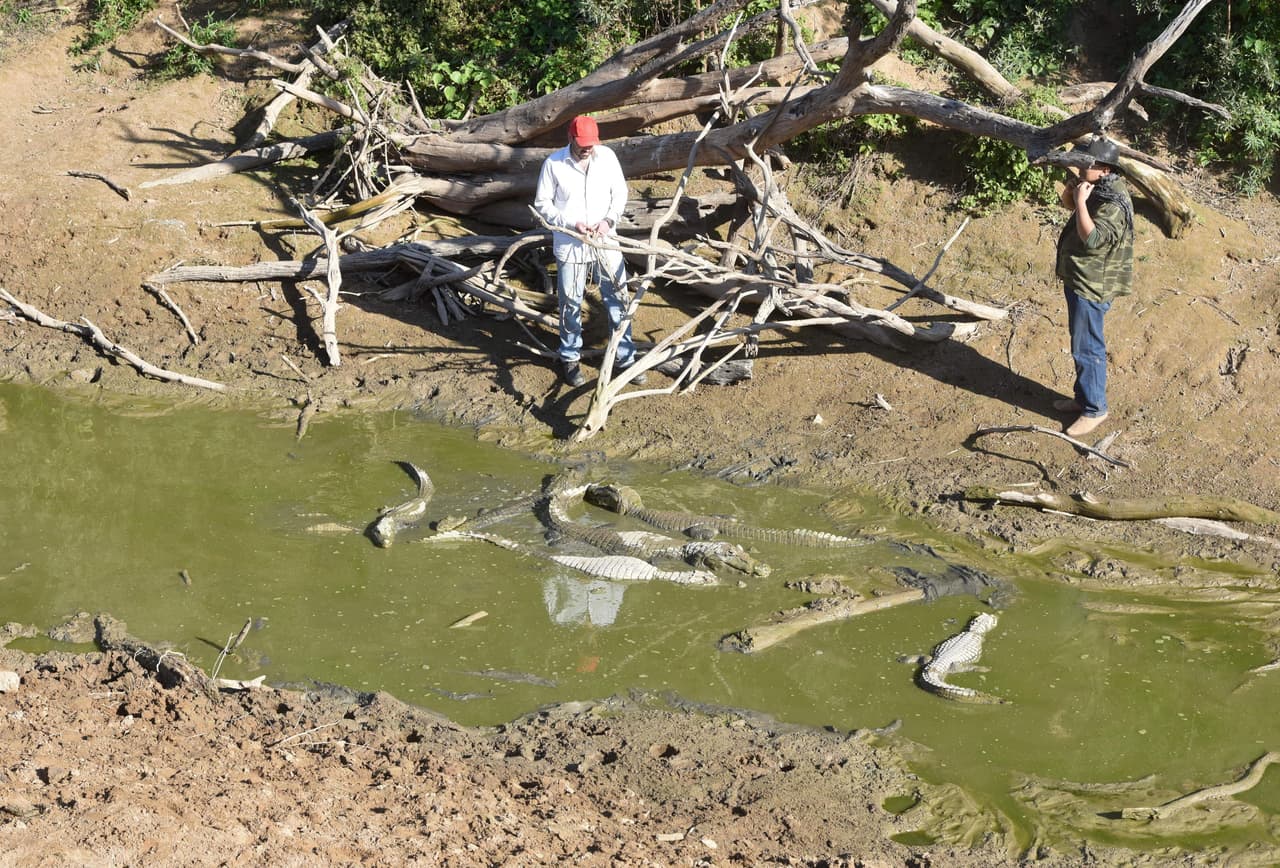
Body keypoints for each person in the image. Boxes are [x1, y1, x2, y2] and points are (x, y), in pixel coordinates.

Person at [533, 115, 644, 387]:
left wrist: (608, 221)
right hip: (571, 245)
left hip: (605, 242)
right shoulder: (553, 164)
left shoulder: (607, 158)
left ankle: (625, 357)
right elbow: (543, 203)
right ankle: (570, 356)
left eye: (591, 143)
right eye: (582, 143)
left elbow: (620, 193)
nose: (587, 148)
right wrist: (571, 224)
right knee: (570, 302)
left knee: (618, 298)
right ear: (570, 138)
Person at [1053, 135, 1134, 438]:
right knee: (1080, 342)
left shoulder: (1114, 203)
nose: (1079, 166)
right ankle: (1083, 397)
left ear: (1104, 169)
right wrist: (1073, 193)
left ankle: (1095, 409)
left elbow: (1093, 239)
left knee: (1088, 347)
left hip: (1092, 284)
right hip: (1080, 278)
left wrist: (1080, 203)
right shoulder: (1097, 187)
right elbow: (1069, 208)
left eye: (1085, 163)